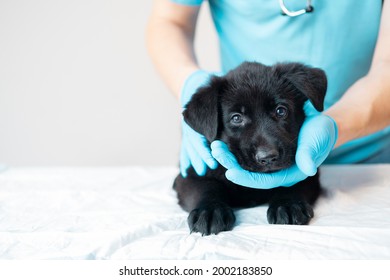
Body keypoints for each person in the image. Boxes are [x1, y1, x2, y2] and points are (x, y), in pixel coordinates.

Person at [146, 0, 390, 189]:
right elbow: (170, 20)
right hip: (241, 160)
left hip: (372, 162)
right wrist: (189, 81)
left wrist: (337, 124)